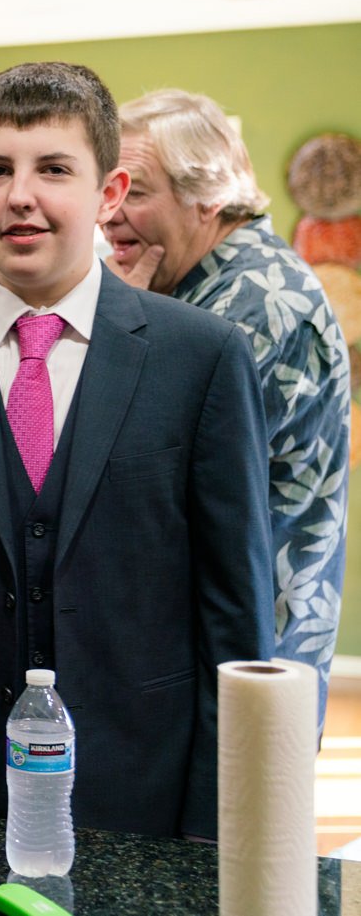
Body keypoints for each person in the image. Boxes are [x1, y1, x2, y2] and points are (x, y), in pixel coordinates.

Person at [0, 62, 274, 843]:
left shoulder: (200, 358)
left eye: (54, 169)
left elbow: (235, 617)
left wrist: (216, 833)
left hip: (145, 801)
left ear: (108, 193)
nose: (21, 195)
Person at [101, 88, 349, 734]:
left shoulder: (257, 303)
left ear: (207, 195)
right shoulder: (195, 288)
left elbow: (136, 478)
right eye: (107, 189)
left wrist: (114, 331)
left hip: (244, 671)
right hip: (213, 659)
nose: (109, 215)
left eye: (136, 191)